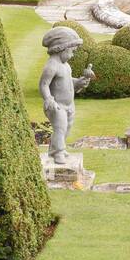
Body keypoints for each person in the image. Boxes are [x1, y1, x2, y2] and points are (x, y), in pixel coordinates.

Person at [38, 27, 94, 162]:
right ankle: (59, 153)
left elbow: (68, 82)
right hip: (57, 105)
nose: (73, 55)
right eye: (72, 51)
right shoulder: (52, 66)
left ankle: (54, 149)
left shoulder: (66, 65)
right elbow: (43, 84)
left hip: (69, 105)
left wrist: (79, 82)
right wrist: (48, 99)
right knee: (60, 127)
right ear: (61, 48)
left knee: (67, 128)